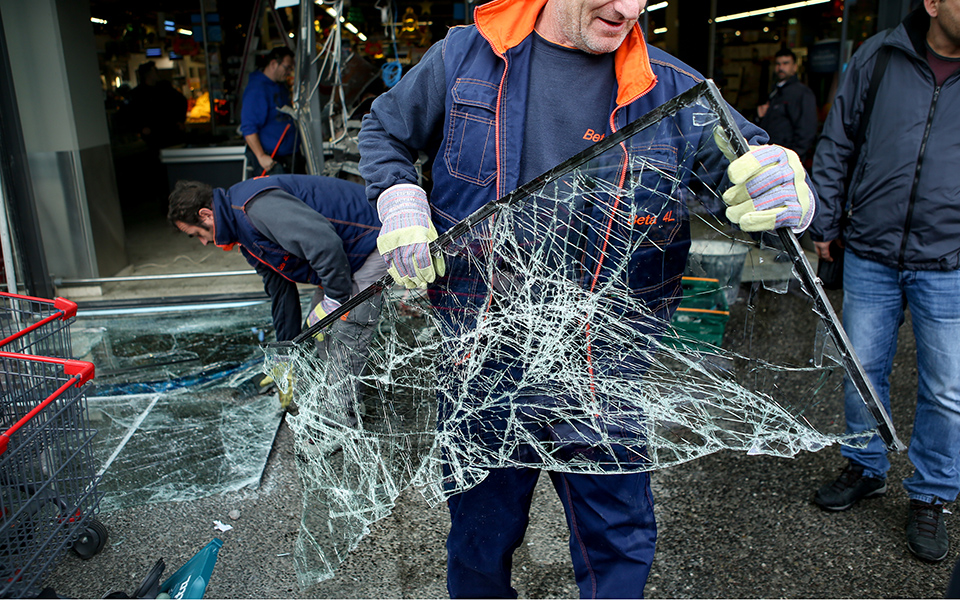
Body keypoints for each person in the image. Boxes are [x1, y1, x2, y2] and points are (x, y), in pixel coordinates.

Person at [358, 0, 815, 596]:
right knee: (478, 539)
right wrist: (398, 194)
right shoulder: (464, 57)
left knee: (618, 543)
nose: (627, 8)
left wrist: (789, 191)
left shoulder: (672, 90)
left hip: (606, 371)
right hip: (481, 360)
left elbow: (752, 164)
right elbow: (386, 130)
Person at [809, 0, 960, 564]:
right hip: (870, 249)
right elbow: (838, 139)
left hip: (948, 260)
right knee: (860, 368)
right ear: (934, 3)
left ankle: (930, 494)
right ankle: (866, 465)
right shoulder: (879, 55)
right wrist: (824, 221)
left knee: (947, 389)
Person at [167, 175, 387, 413]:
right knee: (322, 331)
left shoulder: (255, 208)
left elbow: (324, 244)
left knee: (347, 333)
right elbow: (280, 289)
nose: (202, 242)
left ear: (206, 215)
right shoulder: (242, 230)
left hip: (371, 238)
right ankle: (347, 399)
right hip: (347, 254)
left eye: (197, 234)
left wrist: (335, 300)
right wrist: (283, 358)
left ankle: (341, 419)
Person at [240, 47, 302, 177]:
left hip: (289, 157)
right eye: (287, 68)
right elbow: (248, 127)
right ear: (274, 64)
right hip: (272, 161)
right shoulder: (256, 89)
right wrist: (261, 156)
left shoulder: (280, 86)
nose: (289, 72)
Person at [757, 48, 818, 162]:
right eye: (778, 64)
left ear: (794, 67)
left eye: (785, 63)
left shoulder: (802, 93)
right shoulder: (775, 91)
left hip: (787, 161)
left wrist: (792, 158)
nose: (781, 68)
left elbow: (807, 131)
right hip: (771, 157)